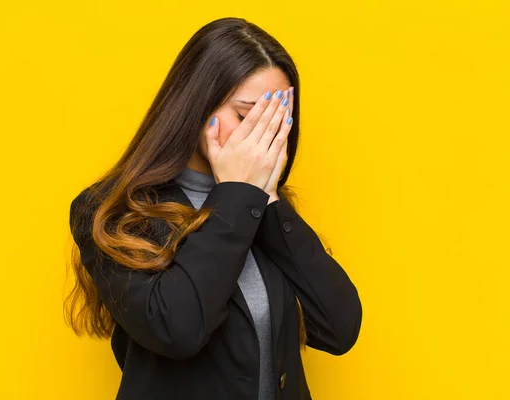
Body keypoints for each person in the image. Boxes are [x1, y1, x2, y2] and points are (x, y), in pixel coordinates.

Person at [66, 17, 362, 400]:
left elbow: (339, 328)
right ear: (196, 106)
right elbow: (177, 329)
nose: (264, 137)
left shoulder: (264, 207)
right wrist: (238, 193)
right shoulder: (112, 211)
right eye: (247, 116)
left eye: (278, 122)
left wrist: (267, 201)